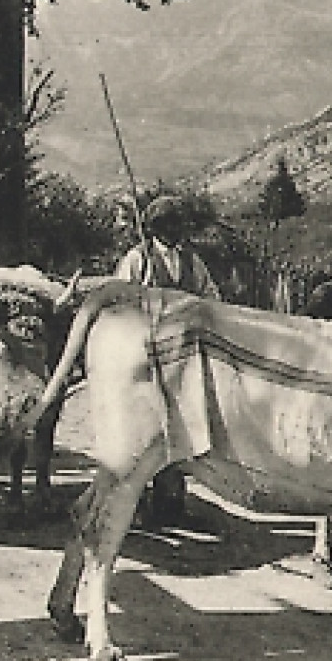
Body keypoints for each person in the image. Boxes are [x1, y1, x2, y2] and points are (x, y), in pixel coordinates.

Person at [115, 195, 221, 528]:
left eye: (180, 224)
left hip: (183, 358)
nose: (178, 230)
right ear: (155, 228)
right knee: (145, 432)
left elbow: (212, 298)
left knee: (181, 429)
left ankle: (171, 502)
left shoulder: (192, 262)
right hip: (147, 358)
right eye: (170, 224)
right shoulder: (137, 260)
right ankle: (136, 503)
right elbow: (118, 302)